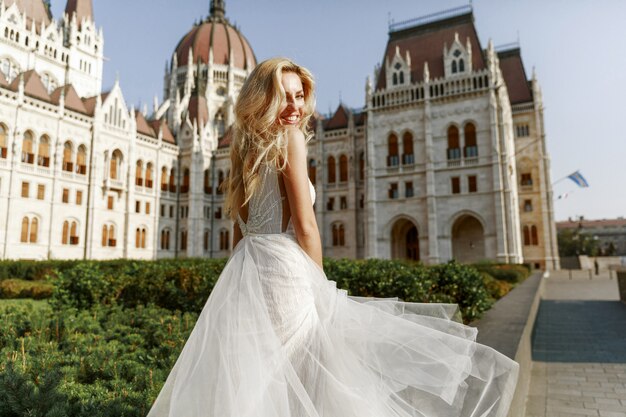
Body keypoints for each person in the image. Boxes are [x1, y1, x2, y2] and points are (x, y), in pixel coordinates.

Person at [147, 57, 519, 417]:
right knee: (309, 377)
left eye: (299, 95)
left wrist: (238, 283)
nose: (295, 106)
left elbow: (239, 233)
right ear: (263, 98)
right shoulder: (289, 139)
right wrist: (320, 287)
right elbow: (306, 226)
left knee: (259, 379)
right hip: (287, 273)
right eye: (285, 95)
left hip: (250, 271)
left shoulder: (242, 151)